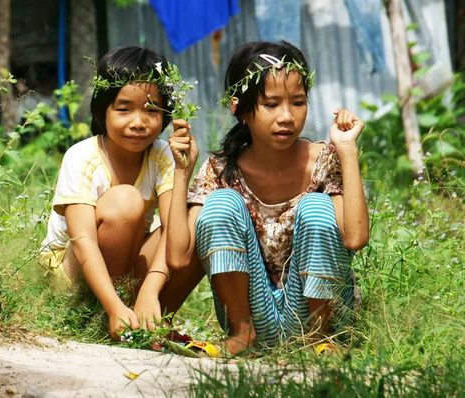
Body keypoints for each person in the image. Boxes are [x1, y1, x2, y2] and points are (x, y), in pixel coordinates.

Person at [167, 41, 369, 355]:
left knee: (316, 206)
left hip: (315, 314)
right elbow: (179, 258)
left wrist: (346, 150)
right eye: (271, 104)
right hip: (251, 313)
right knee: (221, 204)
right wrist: (183, 171)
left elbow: (355, 238)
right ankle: (241, 335)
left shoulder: (325, 161)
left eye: (298, 102)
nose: (287, 116)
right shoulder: (221, 170)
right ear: (240, 110)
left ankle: (318, 338)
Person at [40, 46, 202, 340]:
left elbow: (177, 246)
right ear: (103, 110)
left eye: (151, 110)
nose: (138, 122)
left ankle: (147, 322)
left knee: (197, 218)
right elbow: (84, 241)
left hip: (127, 267)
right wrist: (114, 306)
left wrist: (182, 172)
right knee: (125, 201)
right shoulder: (82, 157)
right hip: (74, 275)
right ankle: (103, 318)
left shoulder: (164, 156)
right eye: (124, 109)